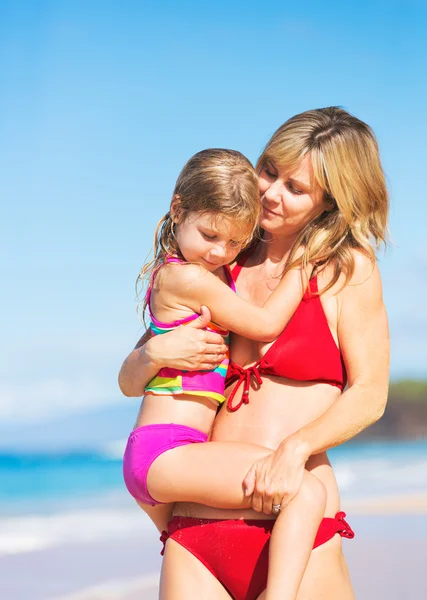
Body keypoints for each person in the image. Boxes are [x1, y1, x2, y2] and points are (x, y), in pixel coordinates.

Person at [119, 107, 390, 600]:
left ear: (330, 203)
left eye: (296, 187)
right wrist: (154, 352)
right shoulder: (221, 257)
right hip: (195, 536)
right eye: (269, 169)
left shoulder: (345, 267)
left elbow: (370, 394)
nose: (269, 192)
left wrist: (297, 446)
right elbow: (134, 376)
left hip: (299, 530)